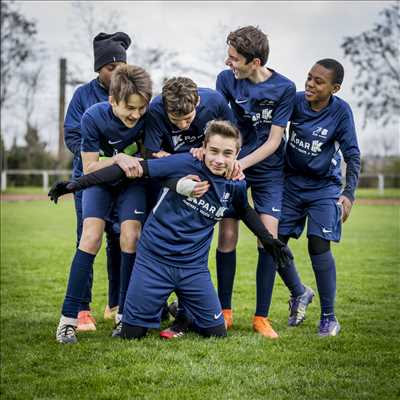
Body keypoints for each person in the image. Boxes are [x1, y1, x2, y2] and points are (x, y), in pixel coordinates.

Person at [49, 120, 293, 342]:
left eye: (227, 153)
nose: (219, 159)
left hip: (193, 268)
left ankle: (185, 313)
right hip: (154, 261)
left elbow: (244, 210)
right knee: (131, 334)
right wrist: (75, 185)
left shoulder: (236, 182)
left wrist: (269, 241)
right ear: (204, 147)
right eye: (214, 151)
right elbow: (129, 169)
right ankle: (164, 307)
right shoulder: (185, 162)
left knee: (217, 331)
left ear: (237, 154)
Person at [55, 64, 152, 344]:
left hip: (132, 186)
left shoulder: (149, 116)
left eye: (140, 108)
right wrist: (118, 158)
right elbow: (89, 167)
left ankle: (125, 315)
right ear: (112, 100)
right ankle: (68, 320)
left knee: (131, 236)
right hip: (98, 182)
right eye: (129, 108)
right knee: (91, 237)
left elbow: (153, 156)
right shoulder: (93, 116)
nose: (136, 115)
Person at [215, 25, 296, 337]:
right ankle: (224, 310)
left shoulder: (284, 88)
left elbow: (275, 140)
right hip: (234, 167)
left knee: (268, 237)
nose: (227, 63)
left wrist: (240, 165)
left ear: (256, 62)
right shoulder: (226, 81)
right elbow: (223, 128)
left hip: (268, 171)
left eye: (234, 58)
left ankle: (261, 318)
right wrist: (226, 161)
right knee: (228, 235)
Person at [276, 59, 361, 336]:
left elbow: (352, 155)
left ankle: (328, 317)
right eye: (309, 77)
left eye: (319, 81)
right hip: (291, 184)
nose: (310, 84)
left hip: (324, 187)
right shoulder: (296, 101)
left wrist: (348, 194)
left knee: (318, 244)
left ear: (334, 88)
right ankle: (299, 292)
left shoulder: (341, 112)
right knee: (273, 243)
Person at [63, 32, 131, 330]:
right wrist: (108, 157)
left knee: (119, 239)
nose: (116, 72)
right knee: (87, 238)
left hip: (123, 183)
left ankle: (115, 303)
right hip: (89, 180)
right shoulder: (83, 96)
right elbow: (73, 136)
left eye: (121, 66)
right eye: (109, 68)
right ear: (98, 69)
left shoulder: (131, 93)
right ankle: (82, 309)